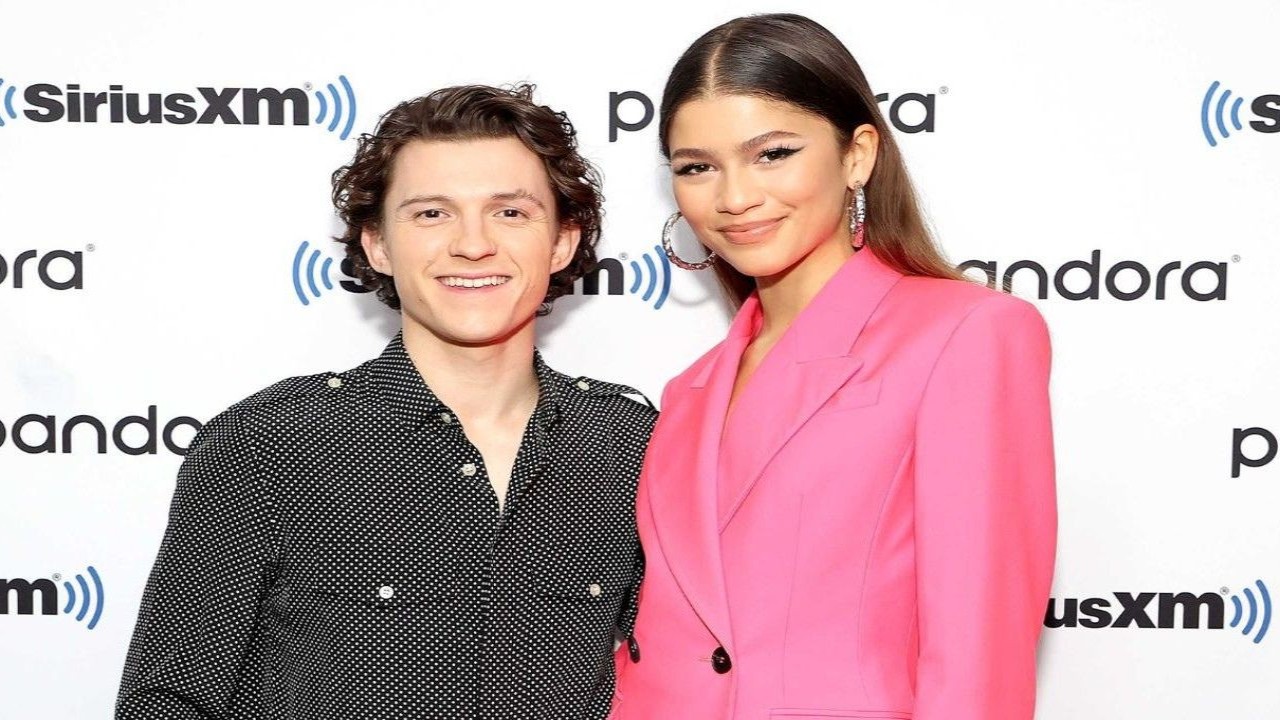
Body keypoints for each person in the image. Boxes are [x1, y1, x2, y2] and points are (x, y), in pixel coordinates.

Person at [116, 84, 655, 719]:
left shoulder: (632, 443)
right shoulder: (270, 441)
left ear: (562, 242)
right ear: (376, 245)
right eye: (431, 214)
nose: (473, 244)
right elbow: (168, 701)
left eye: (510, 212)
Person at [610, 13, 1055, 720]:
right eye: (696, 167)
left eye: (772, 153)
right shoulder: (689, 390)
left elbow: (979, 657)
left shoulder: (966, 335)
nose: (732, 197)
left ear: (858, 154)